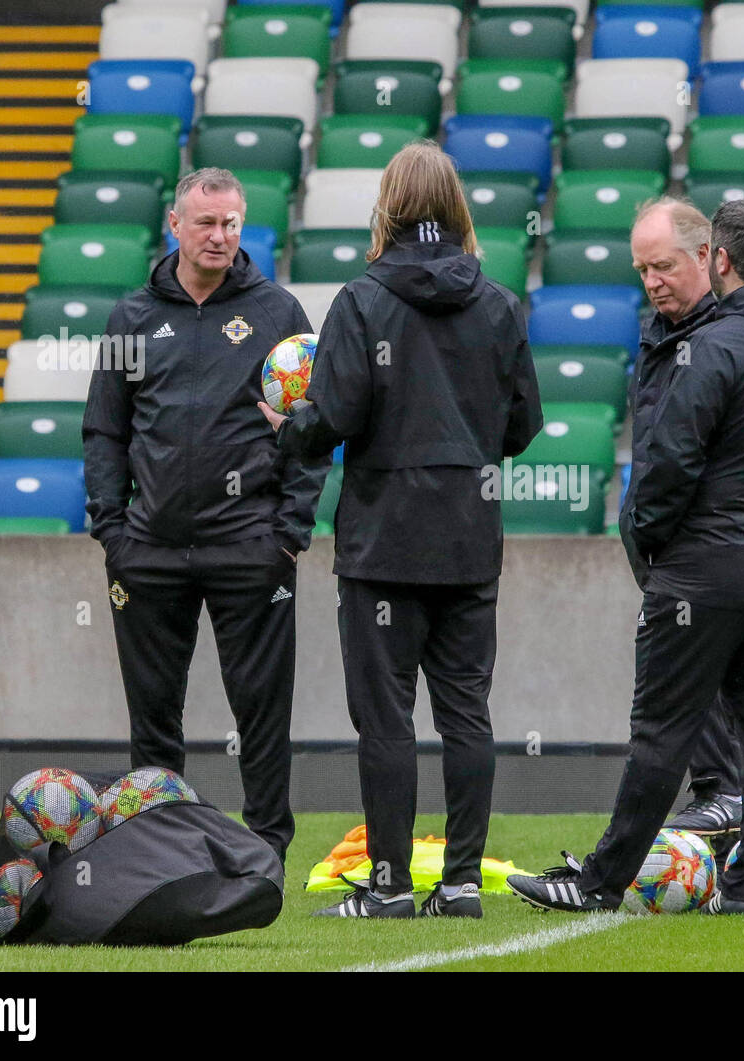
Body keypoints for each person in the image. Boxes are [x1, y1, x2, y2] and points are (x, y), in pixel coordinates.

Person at [508, 198, 744, 914]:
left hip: (703, 569)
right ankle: (742, 887)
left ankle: (599, 880)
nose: (652, 280)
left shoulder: (717, 347)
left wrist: (658, 543)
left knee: (661, 730)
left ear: (718, 261)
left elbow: (669, 463)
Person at [259, 141, 542, 919]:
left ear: (387, 207)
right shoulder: (499, 304)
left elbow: (332, 422)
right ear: (458, 210)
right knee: (466, 715)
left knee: (386, 721)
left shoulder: (360, 301)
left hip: (383, 545)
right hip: (468, 541)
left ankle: (387, 886)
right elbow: (522, 426)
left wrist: (287, 425)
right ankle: (458, 884)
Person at [83, 167, 328, 869]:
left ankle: (266, 851)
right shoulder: (130, 319)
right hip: (149, 549)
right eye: (207, 223)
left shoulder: (279, 313)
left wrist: (289, 532)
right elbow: (105, 431)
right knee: (154, 719)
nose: (220, 236)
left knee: (261, 712)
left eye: (231, 223)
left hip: (250, 546)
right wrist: (112, 531)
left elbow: (312, 429)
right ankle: (155, 850)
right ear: (176, 226)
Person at [628, 199, 744, 849]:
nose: (652, 281)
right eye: (643, 269)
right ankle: (723, 795)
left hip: (703, 536)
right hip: (663, 532)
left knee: (691, 673)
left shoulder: (725, 335)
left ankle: (722, 791)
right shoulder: (658, 330)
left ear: (706, 257)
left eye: (663, 266)